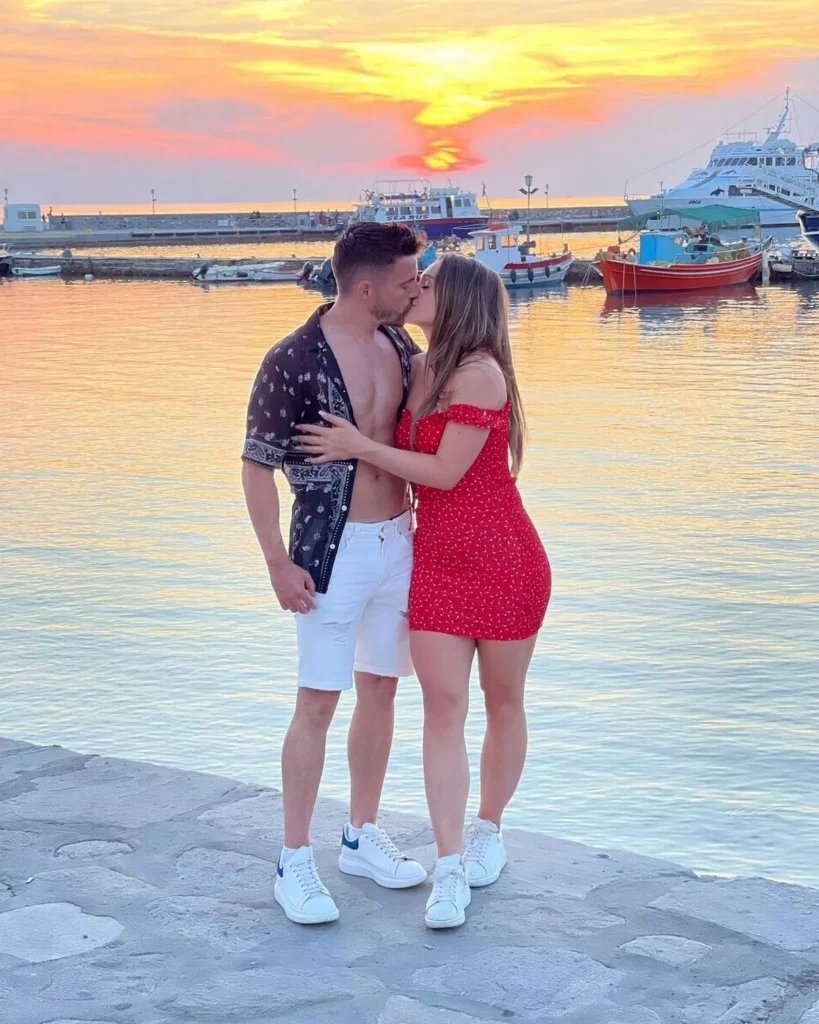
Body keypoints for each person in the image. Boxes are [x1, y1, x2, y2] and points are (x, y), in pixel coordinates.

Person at [298, 254, 551, 929]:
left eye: (428, 282)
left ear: (458, 298)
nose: (415, 287)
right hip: (434, 562)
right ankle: (449, 868)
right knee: (442, 709)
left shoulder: (481, 374)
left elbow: (441, 472)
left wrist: (357, 446)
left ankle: (488, 829)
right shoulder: (415, 364)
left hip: (504, 559)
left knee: (503, 703)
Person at [241, 223, 427, 925]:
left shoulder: (399, 344)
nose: (416, 289)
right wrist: (276, 563)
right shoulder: (292, 359)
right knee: (318, 701)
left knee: (381, 688)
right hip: (330, 552)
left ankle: (359, 835)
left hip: (399, 540)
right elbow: (256, 467)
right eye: (408, 280)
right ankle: (293, 859)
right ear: (367, 287)